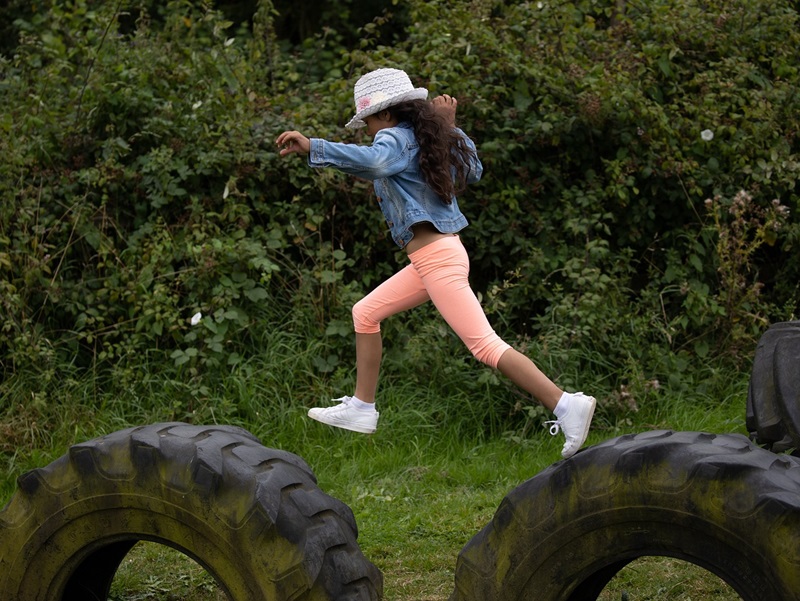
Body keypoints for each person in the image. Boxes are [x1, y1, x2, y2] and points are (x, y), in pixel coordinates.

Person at [276, 67, 595, 458]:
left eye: (369, 120)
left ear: (387, 114)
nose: (367, 130)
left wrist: (315, 148)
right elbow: (471, 168)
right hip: (435, 259)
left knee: (485, 346)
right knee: (365, 313)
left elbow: (376, 162)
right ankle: (362, 407)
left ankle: (566, 404)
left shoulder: (392, 138)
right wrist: (448, 129)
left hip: (437, 260)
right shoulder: (420, 140)